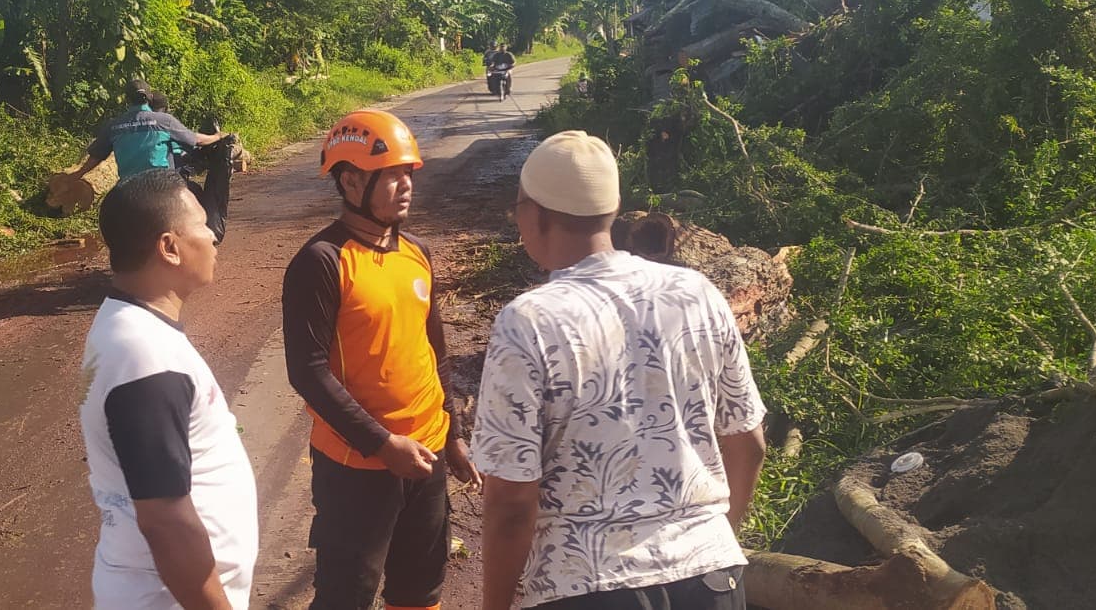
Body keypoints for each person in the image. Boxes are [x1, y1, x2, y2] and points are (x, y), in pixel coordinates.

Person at [472, 131, 768, 610]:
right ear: (609, 212)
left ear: (535, 213)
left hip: (586, 587)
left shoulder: (530, 321)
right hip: (711, 576)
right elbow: (749, 443)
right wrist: (712, 541)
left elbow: (510, 501)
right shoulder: (697, 293)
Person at [282, 109, 481, 610]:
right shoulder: (322, 261)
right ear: (350, 181)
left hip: (426, 454)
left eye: (407, 174)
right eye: (390, 175)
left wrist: (453, 436)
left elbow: (434, 351)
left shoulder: (416, 252)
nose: (405, 185)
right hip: (356, 466)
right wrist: (382, 443)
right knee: (346, 596)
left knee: (419, 589)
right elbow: (306, 371)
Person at [78, 169, 258, 610]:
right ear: (169, 247)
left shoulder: (133, 328)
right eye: (201, 224)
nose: (214, 236)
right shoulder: (143, 356)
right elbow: (165, 521)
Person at [74, 78, 235, 242]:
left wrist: (77, 174)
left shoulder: (113, 126)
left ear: (126, 99)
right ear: (150, 98)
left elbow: (96, 156)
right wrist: (217, 136)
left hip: (128, 188)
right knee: (197, 196)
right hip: (162, 185)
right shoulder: (163, 121)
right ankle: (201, 240)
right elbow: (196, 140)